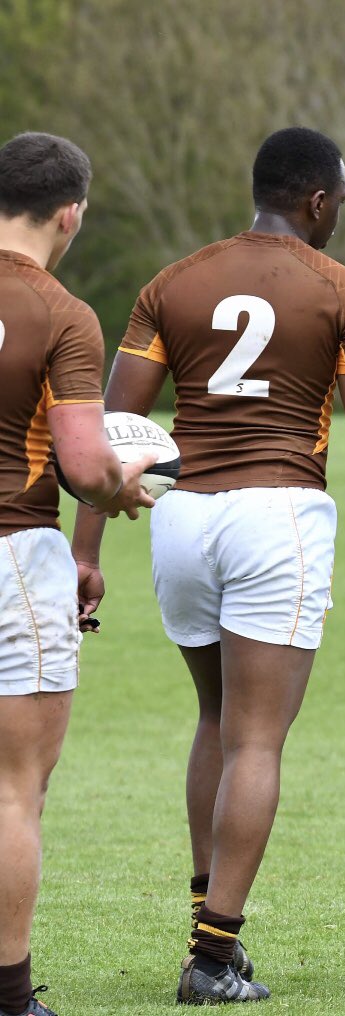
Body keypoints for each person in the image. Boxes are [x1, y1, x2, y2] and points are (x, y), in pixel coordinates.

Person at [71, 126, 345, 1005]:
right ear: (316, 200)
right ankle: (212, 953)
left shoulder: (172, 281)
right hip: (278, 516)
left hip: (183, 515)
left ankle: (209, 933)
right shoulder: (344, 290)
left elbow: (114, 432)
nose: (340, 216)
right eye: (339, 202)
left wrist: (85, 552)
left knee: (215, 720)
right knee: (258, 738)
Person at [0, 132, 154, 1016]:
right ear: (71, 213)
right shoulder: (62, 313)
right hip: (15, 553)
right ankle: (11, 995)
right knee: (16, 788)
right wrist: (119, 492)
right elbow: (85, 462)